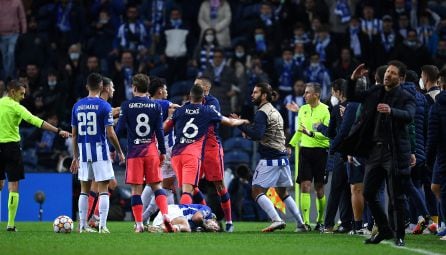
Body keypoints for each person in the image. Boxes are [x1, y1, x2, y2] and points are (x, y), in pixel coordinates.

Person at [346, 61, 415, 246]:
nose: (388, 75)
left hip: (394, 151)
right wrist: (353, 79)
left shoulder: (406, 96)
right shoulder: (376, 92)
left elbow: (409, 115)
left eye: (393, 73)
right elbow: (352, 96)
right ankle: (385, 229)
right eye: (387, 72)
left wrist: (391, 111)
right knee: (368, 192)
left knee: (396, 196)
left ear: (400, 78)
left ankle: (399, 234)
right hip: (375, 151)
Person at [233, 82, 306, 233]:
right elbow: (264, 134)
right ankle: (301, 224)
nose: (252, 95)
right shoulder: (274, 111)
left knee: (256, 191)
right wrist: (248, 131)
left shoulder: (262, 112)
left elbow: (258, 134)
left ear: (264, 95)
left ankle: (276, 220)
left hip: (270, 159)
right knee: (282, 193)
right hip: (282, 158)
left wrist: (239, 124)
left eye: (255, 92)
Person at [0, 80, 70, 231]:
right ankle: (11, 224)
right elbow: (36, 121)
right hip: (11, 147)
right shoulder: (16, 107)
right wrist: (58, 130)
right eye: (21, 93)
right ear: (12, 92)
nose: (23, 97)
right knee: (13, 186)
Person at [164, 85, 248, 207]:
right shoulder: (207, 111)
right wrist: (244, 121)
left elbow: (164, 129)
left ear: (189, 97)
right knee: (187, 192)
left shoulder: (179, 110)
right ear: (203, 98)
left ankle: (204, 213)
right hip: (191, 155)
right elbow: (230, 122)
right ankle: (185, 222)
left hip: (176, 155)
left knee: (190, 188)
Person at [115, 74, 174, 233]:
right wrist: (162, 150)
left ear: (134, 88)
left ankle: (139, 224)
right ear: (147, 88)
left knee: (136, 190)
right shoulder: (155, 106)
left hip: (134, 152)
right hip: (151, 151)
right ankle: (166, 215)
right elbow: (160, 131)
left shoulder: (126, 106)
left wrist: (115, 147)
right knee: (156, 185)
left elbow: (119, 130)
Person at [70, 73, 125, 234]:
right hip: (100, 152)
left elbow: (74, 134)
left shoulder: (77, 106)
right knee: (103, 189)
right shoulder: (104, 106)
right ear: (101, 86)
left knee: (84, 191)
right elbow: (110, 133)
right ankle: (102, 225)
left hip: (84, 153)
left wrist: (75, 156)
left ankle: (82, 226)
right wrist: (120, 151)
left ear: (87, 86)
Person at [194, 76, 234, 232]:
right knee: (192, 185)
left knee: (219, 185)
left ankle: (229, 222)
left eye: (197, 86)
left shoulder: (213, 102)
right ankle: (207, 216)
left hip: (211, 148)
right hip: (196, 148)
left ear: (206, 89)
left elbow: (211, 119)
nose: (193, 88)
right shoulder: (192, 101)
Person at [288, 82, 330, 231]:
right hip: (305, 151)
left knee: (319, 187)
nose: (304, 95)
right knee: (305, 185)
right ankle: (305, 223)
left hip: (321, 152)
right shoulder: (303, 110)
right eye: (304, 92)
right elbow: (300, 130)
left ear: (316, 95)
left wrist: (311, 134)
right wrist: (290, 145)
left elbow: (327, 136)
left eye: (307, 93)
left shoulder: (326, 110)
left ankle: (320, 221)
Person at [426, 84, 446, 241]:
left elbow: (432, 136)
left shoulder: (437, 106)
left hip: (441, 155)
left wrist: (429, 158)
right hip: (440, 155)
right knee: (436, 187)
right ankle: (442, 222)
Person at [149, 204, 220, 233]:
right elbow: (197, 218)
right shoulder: (208, 211)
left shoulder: (199, 228)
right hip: (173, 211)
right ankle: (166, 227)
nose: (214, 228)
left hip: (167, 216)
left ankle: (160, 227)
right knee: (187, 228)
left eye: (215, 230)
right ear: (214, 219)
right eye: (216, 226)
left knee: (187, 228)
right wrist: (206, 226)